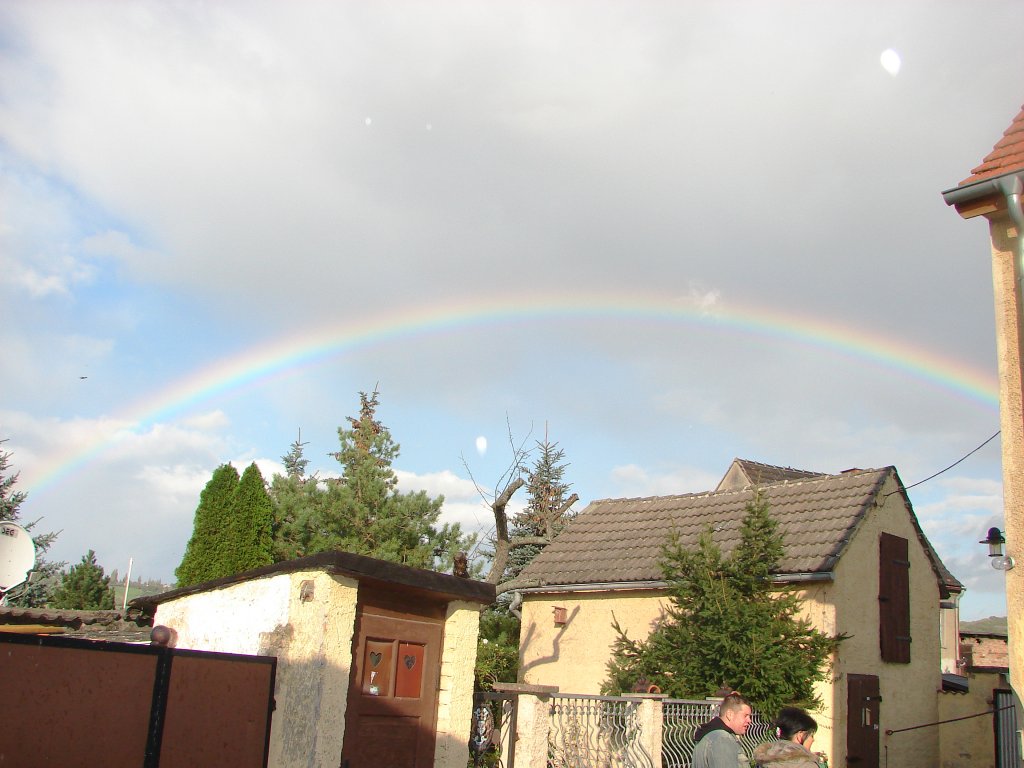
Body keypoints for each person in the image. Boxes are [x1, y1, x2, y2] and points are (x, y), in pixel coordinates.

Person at [691, 692, 753, 768]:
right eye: (745, 716)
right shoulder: (722, 738)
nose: (749, 720)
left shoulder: (709, 734)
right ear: (730, 714)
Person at [752, 706, 824, 768]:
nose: (813, 739)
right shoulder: (806, 765)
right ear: (800, 736)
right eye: (811, 735)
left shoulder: (763, 760)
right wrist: (807, 755)